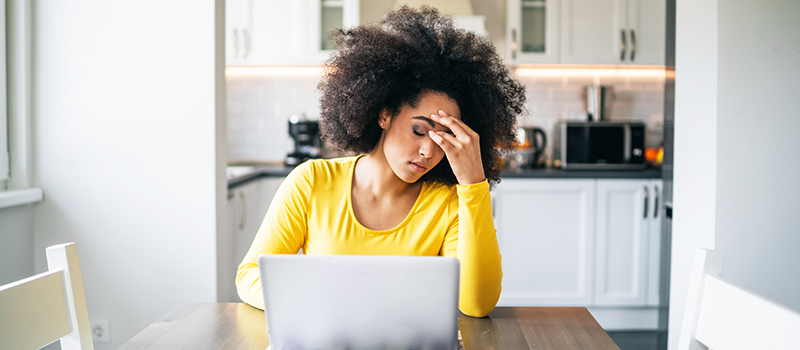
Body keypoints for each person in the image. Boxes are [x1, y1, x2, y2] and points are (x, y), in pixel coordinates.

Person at [235, 6, 526, 318]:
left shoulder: (449, 202)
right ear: (384, 115)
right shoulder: (312, 181)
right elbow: (249, 275)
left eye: (443, 138)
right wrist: (315, 303)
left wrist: (473, 185)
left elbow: (477, 304)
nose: (429, 150)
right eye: (419, 130)